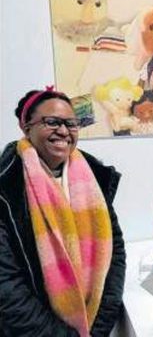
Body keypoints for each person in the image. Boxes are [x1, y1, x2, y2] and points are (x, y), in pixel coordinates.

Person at [0, 88, 126, 336]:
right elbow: (6, 285)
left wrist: (99, 328)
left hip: (93, 326)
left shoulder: (94, 177)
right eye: (51, 122)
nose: (64, 131)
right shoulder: (7, 187)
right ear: (26, 128)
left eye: (71, 124)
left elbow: (116, 249)